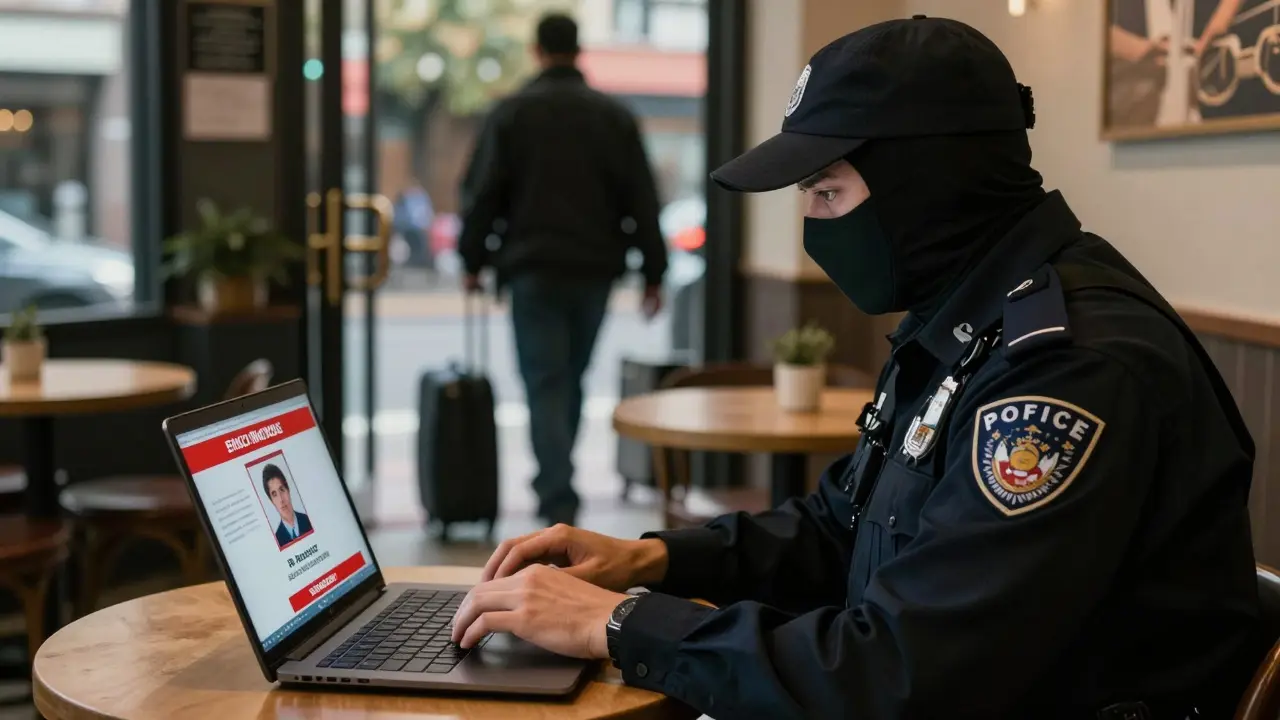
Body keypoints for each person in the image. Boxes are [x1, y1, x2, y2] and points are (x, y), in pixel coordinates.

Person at [450, 15, 1265, 718]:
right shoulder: (962, 323)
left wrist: (618, 625)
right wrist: (654, 561)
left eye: (827, 193)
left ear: (927, 181)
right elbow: (843, 527)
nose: (811, 224)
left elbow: (903, 678)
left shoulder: (1067, 370)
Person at [458, 12, 667, 528]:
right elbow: (642, 197)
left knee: (545, 382)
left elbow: (482, 193)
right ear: (578, 51)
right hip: (595, 271)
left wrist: (473, 259)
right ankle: (558, 483)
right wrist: (654, 272)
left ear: (536, 51)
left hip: (533, 271)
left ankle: (556, 493)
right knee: (572, 377)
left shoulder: (511, 114)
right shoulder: (613, 117)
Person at [263, 463, 312, 547]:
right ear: (272, 501)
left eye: (282, 489)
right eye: (274, 494)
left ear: (288, 490)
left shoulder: (309, 520)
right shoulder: (277, 540)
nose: (281, 499)